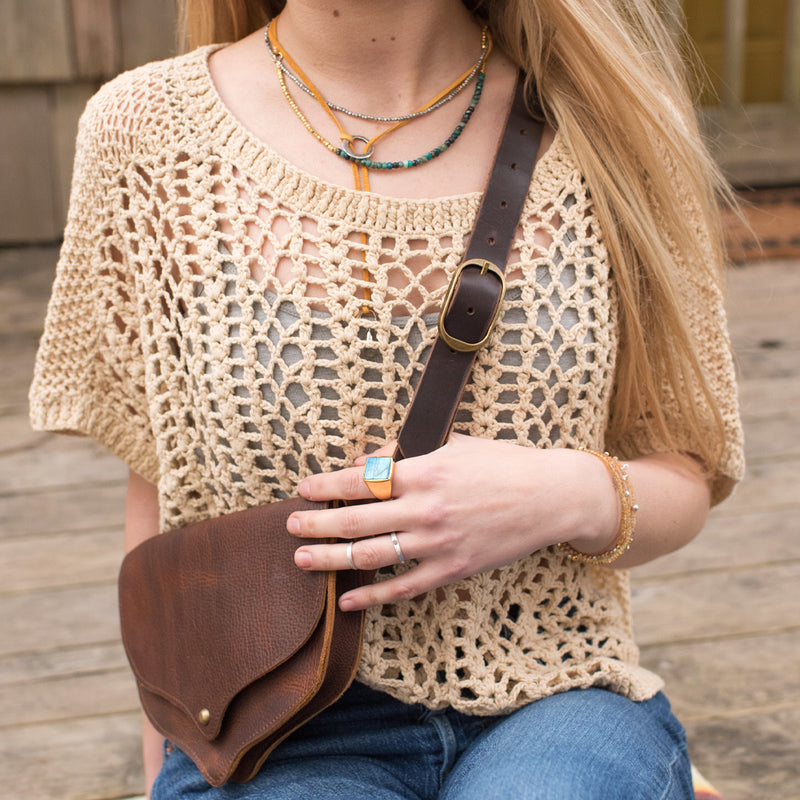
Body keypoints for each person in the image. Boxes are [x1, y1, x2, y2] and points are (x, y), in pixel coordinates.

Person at [29, 0, 744, 797]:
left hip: (557, 692)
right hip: (272, 724)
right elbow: (159, 492)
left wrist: (564, 494)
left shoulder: (616, 123)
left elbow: (688, 472)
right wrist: (174, 758)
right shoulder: (146, 133)